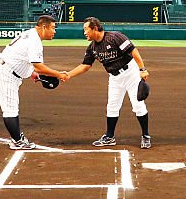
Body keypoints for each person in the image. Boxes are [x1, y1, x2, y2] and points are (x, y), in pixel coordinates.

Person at [64, 17, 153, 149]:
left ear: (95, 28)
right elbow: (85, 65)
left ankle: (145, 136)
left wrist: (142, 69)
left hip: (131, 73)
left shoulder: (115, 37)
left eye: (86, 29)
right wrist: (68, 74)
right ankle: (109, 137)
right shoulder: (92, 47)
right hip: (114, 77)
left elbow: (133, 51)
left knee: (138, 105)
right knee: (112, 106)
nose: (84, 33)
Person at [0, 15, 69, 149]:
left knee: (12, 107)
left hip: (8, 69)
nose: (55, 31)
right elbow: (38, 66)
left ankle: (17, 138)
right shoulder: (34, 41)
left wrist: (32, 73)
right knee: (10, 109)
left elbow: (21, 57)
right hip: (5, 73)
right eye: (53, 28)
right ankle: (17, 141)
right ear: (44, 27)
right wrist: (59, 74)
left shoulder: (30, 34)